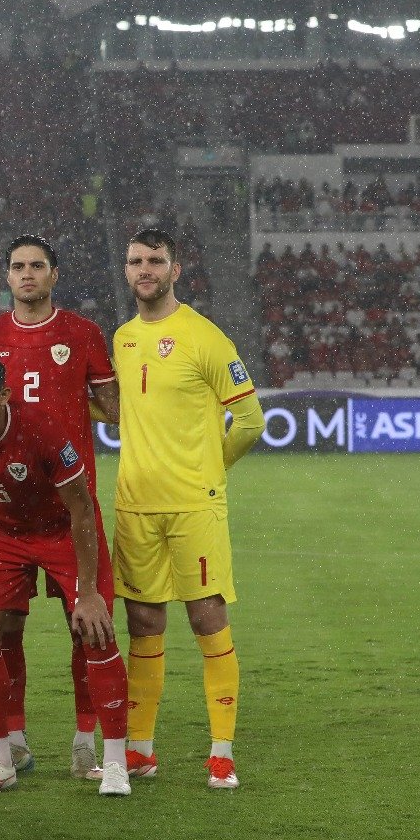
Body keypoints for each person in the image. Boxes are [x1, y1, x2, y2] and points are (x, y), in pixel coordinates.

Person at [0, 350, 130, 796]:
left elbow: (81, 507)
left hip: (63, 528)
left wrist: (88, 592)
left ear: (4, 394)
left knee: (94, 630)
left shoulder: (40, 428)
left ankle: (112, 761)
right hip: (3, 533)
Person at [113, 229, 265, 789]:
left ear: (176, 270)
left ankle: (221, 752)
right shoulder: (123, 338)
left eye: (155, 261)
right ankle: (140, 750)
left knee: (206, 618)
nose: (144, 269)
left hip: (193, 506)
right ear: (126, 271)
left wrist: (206, 472)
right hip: (135, 506)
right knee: (143, 623)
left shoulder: (206, 337)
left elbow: (250, 421)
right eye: (136, 261)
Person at [0, 235, 119, 779]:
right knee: (3, 626)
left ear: (54, 275)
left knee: (87, 626)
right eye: (18, 267)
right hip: (8, 508)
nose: (27, 274)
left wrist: (64, 409)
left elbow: (112, 405)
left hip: (69, 507)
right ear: (7, 276)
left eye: (37, 266)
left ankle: (86, 740)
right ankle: (13, 740)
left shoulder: (81, 333)